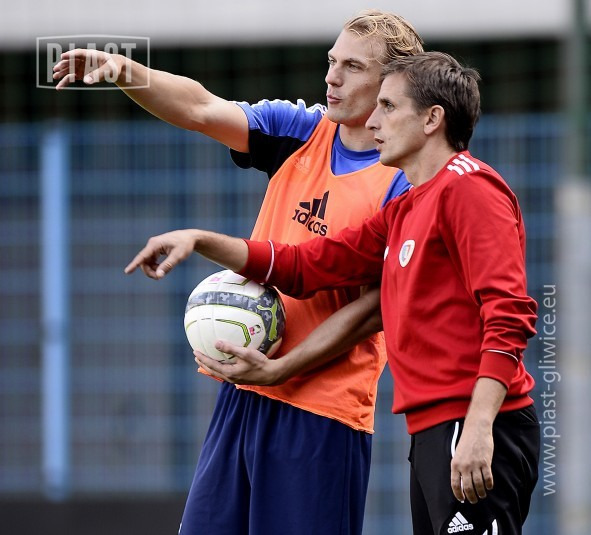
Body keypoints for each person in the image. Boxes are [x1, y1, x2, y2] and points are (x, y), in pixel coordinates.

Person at [125, 51, 541, 534]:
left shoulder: (471, 188)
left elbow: (508, 314)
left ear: (432, 120)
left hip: (473, 422)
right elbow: (307, 265)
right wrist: (200, 240)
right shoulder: (405, 209)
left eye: (388, 106)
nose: (374, 120)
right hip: (430, 427)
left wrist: (480, 425)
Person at [54, 10, 425, 535]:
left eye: (352, 66)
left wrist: (285, 366)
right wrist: (124, 71)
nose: (332, 77)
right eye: (331, 61)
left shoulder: (404, 181)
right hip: (244, 392)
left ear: (390, 85)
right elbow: (201, 108)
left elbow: (378, 307)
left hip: (322, 413)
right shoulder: (301, 129)